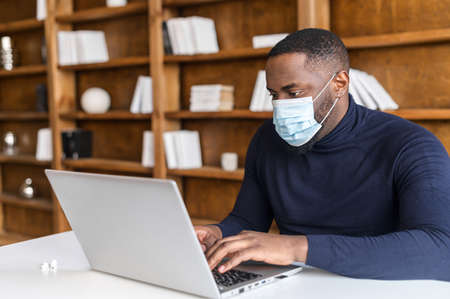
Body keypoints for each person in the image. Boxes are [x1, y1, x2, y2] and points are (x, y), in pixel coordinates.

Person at [194, 28, 450, 281]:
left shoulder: (411, 145)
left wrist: (294, 248)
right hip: (299, 287)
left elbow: (439, 249)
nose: (280, 106)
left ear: (339, 84)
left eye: (294, 93)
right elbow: (248, 219)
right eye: (274, 95)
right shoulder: (267, 139)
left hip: (380, 287)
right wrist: (218, 234)